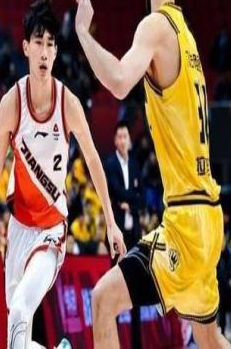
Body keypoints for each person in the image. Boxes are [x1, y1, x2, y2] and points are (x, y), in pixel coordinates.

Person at [74, 0, 231, 348]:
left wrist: (84, 34)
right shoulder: (188, 39)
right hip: (210, 217)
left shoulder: (155, 27)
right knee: (209, 337)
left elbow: (119, 80)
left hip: (185, 221)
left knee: (103, 299)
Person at [0, 0, 126, 349]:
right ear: (26, 47)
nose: (44, 52)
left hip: (51, 232)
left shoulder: (68, 103)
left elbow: (93, 161)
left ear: (56, 52)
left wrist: (111, 222)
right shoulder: (12, 103)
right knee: (18, 339)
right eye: (38, 43)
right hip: (18, 230)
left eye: (50, 44)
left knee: (20, 312)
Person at [103, 120, 143, 348]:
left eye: (125, 136)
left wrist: (129, 201)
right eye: (119, 137)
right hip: (117, 235)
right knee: (115, 287)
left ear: (129, 139)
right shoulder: (110, 164)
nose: (122, 140)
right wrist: (130, 198)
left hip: (134, 234)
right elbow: (115, 190)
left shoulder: (135, 165)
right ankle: (113, 343)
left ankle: (137, 344)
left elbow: (141, 196)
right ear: (115, 140)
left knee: (136, 288)